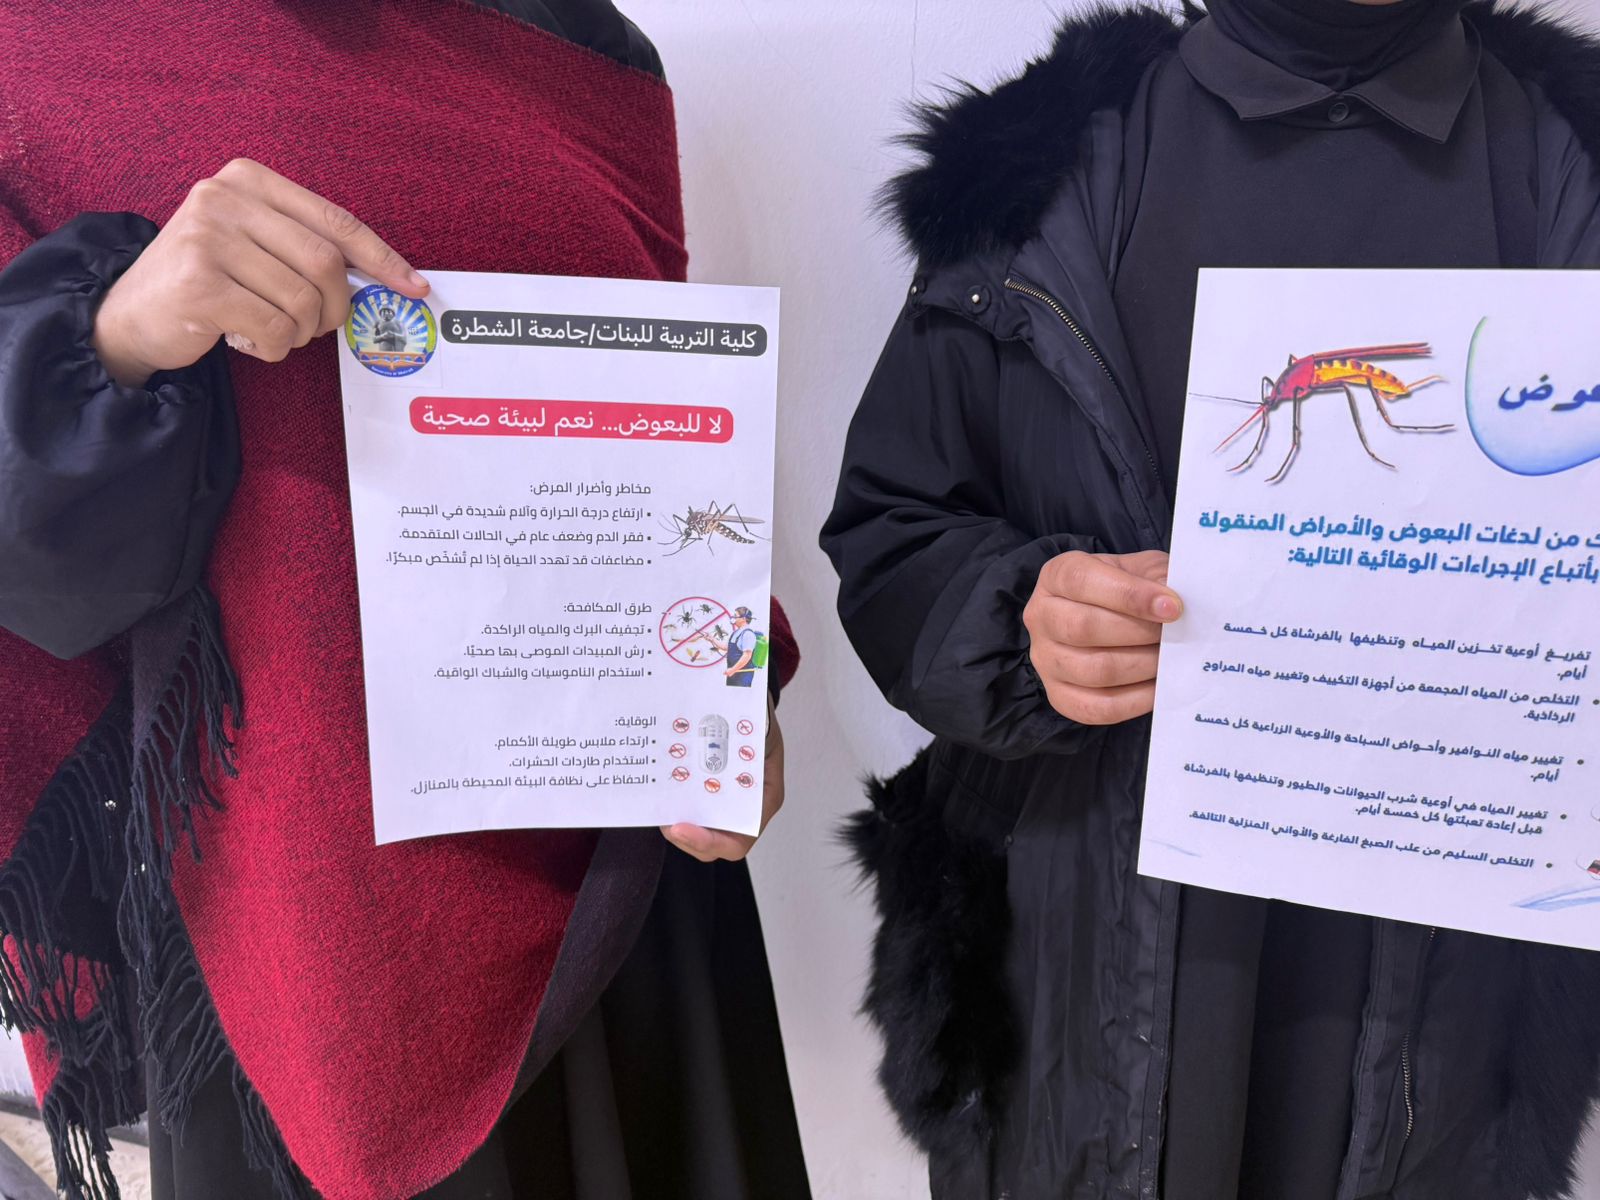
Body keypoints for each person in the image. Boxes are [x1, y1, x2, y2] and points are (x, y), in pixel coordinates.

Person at [0, 2, 809, 1199]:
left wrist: (733, 680)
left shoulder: (586, 43)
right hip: (283, 914)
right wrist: (116, 333)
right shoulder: (36, 50)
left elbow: (654, 410)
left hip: (620, 876)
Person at [823, 1, 1600, 1197]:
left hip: (1449, 1039)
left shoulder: (1568, 162)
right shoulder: (1028, 166)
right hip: (1072, 1010)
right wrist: (1018, 620)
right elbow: (892, 528)